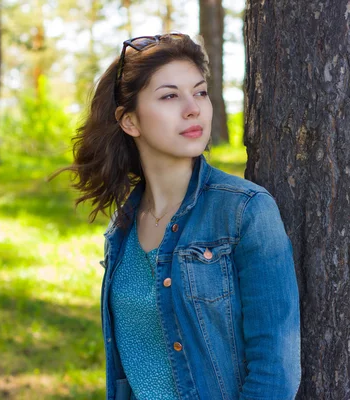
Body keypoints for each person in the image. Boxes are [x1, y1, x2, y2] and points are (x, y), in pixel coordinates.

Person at [66, 33, 300, 400]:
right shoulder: (122, 228)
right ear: (130, 121)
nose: (193, 108)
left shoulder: (244, 210)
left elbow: (276, 370)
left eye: (201, 92)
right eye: (170, 96)